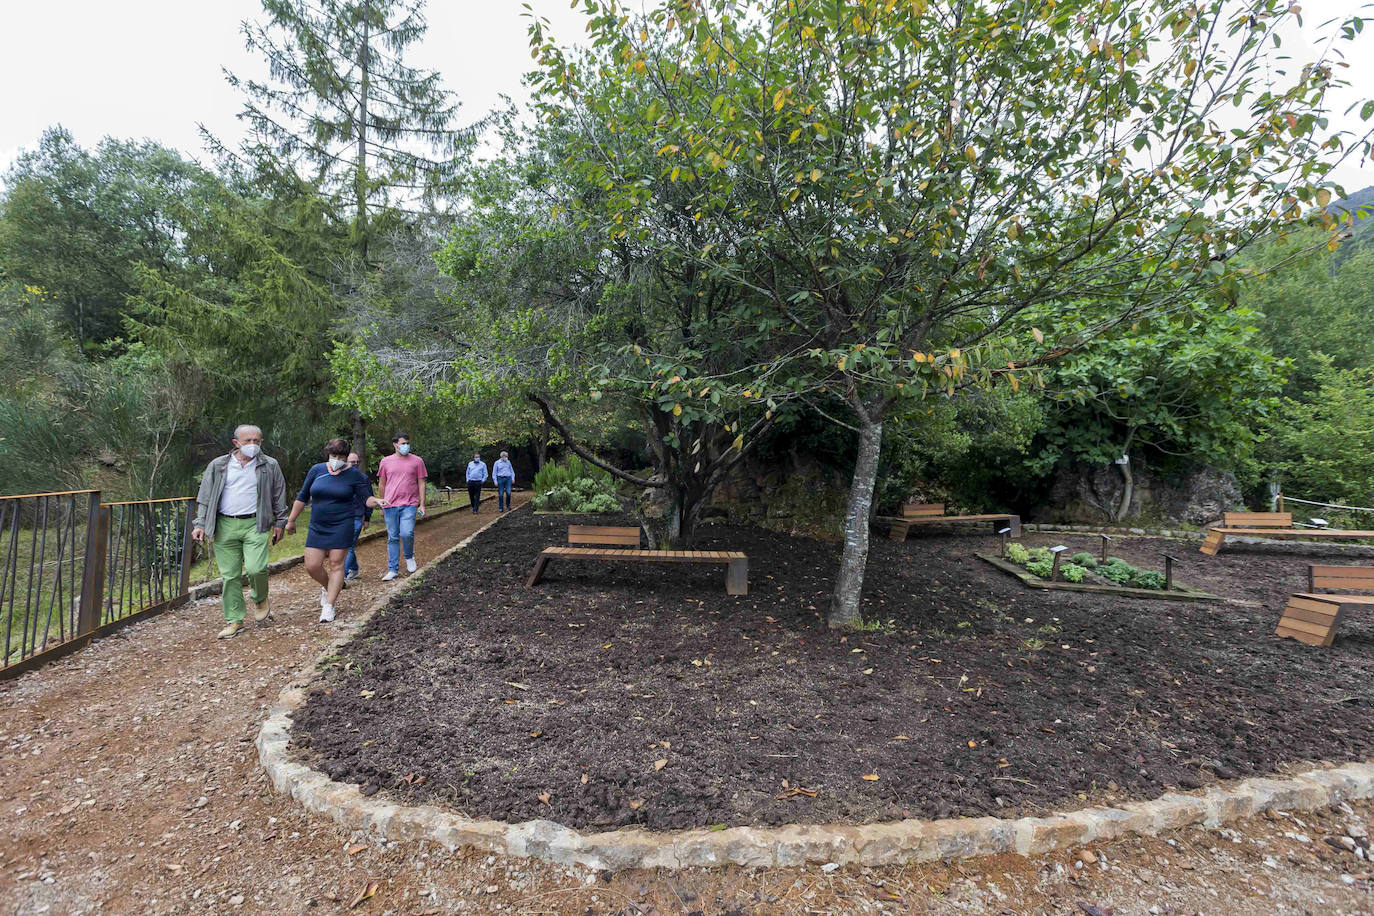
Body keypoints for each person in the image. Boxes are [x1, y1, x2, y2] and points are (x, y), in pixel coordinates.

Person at [191, 424, 288, 639]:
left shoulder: (269, 465)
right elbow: (205, 496)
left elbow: (279, 495)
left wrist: (281, 522)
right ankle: (234, 619)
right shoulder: (218, 465)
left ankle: (260, 598)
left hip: (256, 523)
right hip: (225, 525)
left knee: (256, 568)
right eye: (248, 441)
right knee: (230, 576)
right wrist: (199, 523)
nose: (253, 445)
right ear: (236, 443)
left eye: (257, 441)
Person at [284, 439, 387, 623]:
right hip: (318, 525)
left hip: (342, 524)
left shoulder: (354, 475)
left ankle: (329, 606)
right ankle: (328, 586)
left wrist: (377, 501)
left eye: (341, 456)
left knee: (336, 564)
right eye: (334, 456)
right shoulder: (317, 470)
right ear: (328, 455)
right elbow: (302, 496)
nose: (337, 459)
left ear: (346, 457)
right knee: (312, 565)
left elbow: (366, 499)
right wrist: (291, 520)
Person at [377, 433, 427, 581]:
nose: (406, 446)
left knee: (406, 533)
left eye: (407, 443)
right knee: (392, 537)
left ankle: (409, 556)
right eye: (403, 443)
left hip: (409, 504)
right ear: (395, 444)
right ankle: (393, 569)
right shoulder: (386, 462)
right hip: (390, 504)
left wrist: (422, 504)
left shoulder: (417, 461)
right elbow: (382, 483)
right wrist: (382, 502)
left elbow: (421, 483)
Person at [343, 452, 374, 581]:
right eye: (352, 462)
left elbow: (369, 499)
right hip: (342, 517)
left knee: (348, 546)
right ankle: (354, 569)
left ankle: (341, 575)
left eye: (357, 462)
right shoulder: (340, 477)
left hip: (356, 516)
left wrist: (367, 518)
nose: (354, 465)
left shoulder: (363, 478)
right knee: (347, 545)